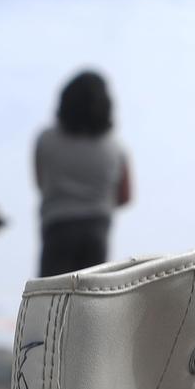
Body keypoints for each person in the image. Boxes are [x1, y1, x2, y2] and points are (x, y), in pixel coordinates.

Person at [34, 71, 132, 277]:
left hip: (57, 226)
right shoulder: (116, 148)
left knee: (53, 297)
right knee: (90, 297)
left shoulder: (46, 139)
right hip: (96, 228)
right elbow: (125, 196)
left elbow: (41, 183)